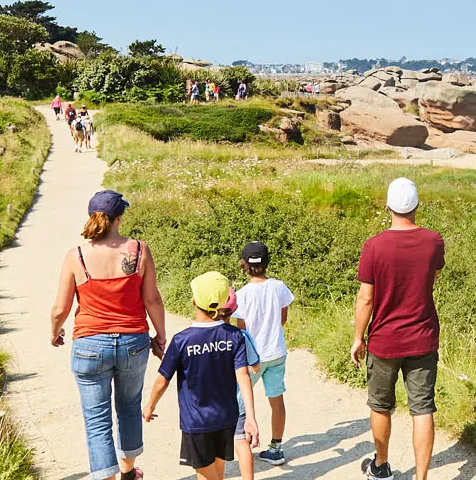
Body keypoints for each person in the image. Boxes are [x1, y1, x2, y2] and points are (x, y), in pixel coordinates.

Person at [50, 190, 169, 480]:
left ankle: (106, 478)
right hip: (132, 342)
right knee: (129, 408)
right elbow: (152, 300)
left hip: (90, 343)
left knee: (97, 418)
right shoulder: (139, 250)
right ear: (120, 217)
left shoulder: (76, 256)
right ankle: (129, 473)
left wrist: (55, 332)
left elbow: (59, 308)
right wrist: (160, 336)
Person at [351, 178, 446, 480]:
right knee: (423, 409)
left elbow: (366, 298)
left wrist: (357, 337)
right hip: (423, 337)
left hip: (384, 340)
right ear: (417, 205)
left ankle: (380, 466)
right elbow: (433, 275)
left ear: (388, 206)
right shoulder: (434, 241)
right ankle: (421, 477)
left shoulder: (374, 246)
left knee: (380, 405)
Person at [144, 271, 261, 480]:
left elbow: (163, 380)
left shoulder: (182, 341)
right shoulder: (234, 336)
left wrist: (150, 406)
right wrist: (250, 417)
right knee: (218, 471)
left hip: (197, 423)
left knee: (207, 477)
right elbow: (243, 375)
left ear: (194, 301)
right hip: (227, 419)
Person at [229, 241, 295, 466]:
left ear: (244, 265)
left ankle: (243, 441)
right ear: (267, 262)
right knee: (276, 399)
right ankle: (276, 448)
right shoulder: (279, 286)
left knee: (240, 400)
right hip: (276, 352)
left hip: (252, 356)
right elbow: (282, 318)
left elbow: (242, 331)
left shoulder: (242, 294)